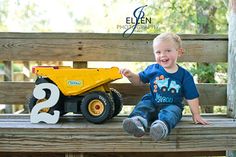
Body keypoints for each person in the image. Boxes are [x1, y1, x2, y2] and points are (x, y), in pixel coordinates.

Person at [120, 32, 208, 142]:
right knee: (144, 104)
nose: (163, 55)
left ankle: (161, 127)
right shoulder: (153, 69)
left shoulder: (184, 75)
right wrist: (131, 76)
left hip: (172, 105)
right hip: (153, 101)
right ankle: (138, 121)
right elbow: (139, 81)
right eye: (158, 52)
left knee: (172, 113)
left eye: (168, 50)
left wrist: (196, 114)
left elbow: (192, 96)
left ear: (179, 52)